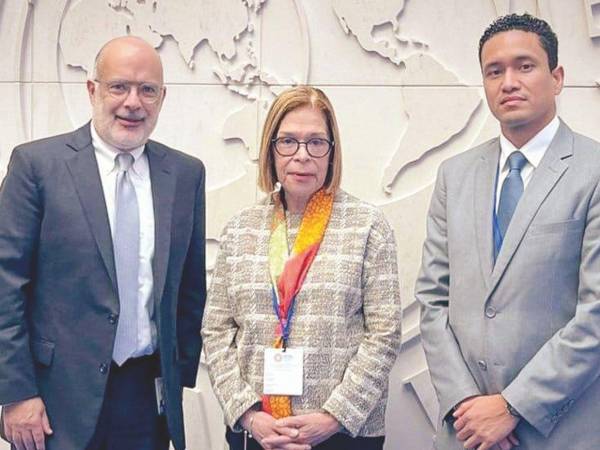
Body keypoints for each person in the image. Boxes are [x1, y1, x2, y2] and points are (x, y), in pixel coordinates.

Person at [0, 36, 206, 450]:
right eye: (119, 86)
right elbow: (6, 287)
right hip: (56, 403)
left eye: (147, 90)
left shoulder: (185, 175)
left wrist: (177, 375)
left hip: (146, 401)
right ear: (92, 89)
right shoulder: (36, 166)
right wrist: (15, 393)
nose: (134, 102)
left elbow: (189, 289)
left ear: (162, 98)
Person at [416, 12, 600, 450]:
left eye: (525, 66)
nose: (508, 81)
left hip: (560, 429)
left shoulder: (593, 171)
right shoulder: (454, 176)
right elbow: (431, 298)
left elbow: (596, 313)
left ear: (556, 78)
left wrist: (513, 406)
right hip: (466, 433)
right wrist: (467, 405)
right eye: (494, 71)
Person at [201, 86, 401, 450]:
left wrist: (332, 418)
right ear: (271, 150)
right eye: (288, 141)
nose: (302, 155)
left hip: (343, 434)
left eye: (316, 142)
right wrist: (249, 415)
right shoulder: (240, 229)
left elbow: (384, 335)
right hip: (258, 434)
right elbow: (216, 331)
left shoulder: (368, 226)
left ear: (332, 152)